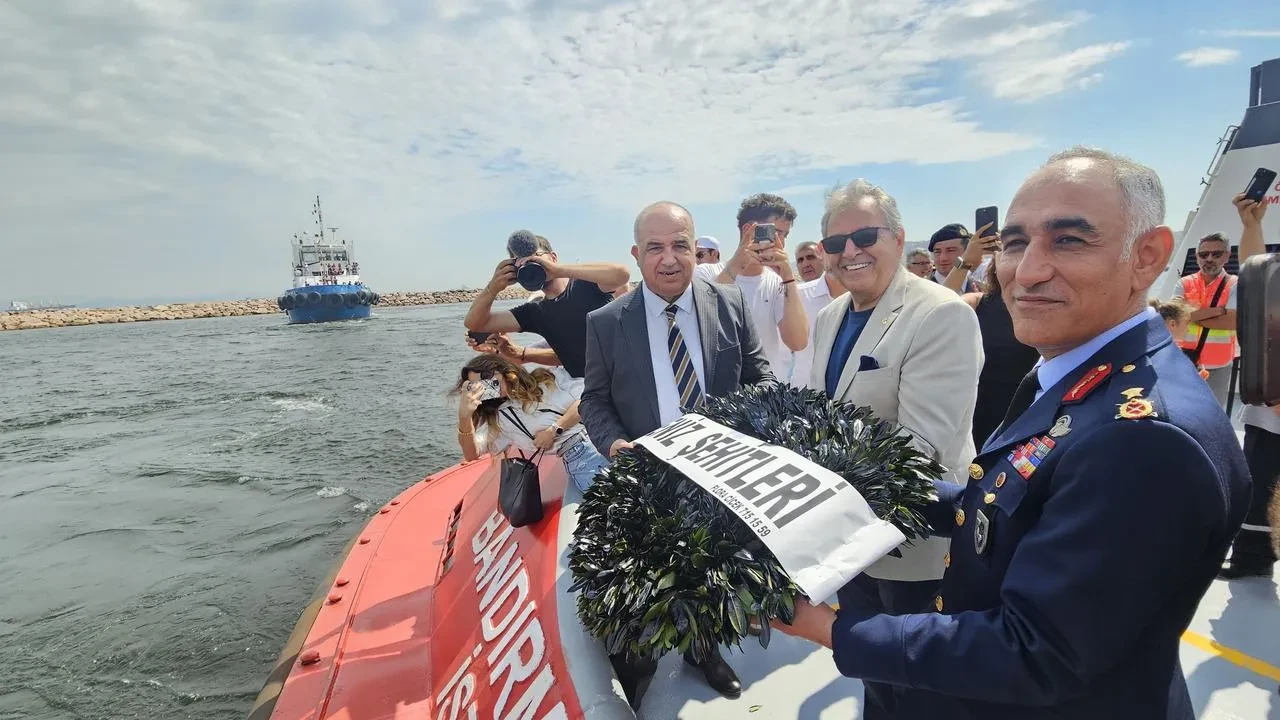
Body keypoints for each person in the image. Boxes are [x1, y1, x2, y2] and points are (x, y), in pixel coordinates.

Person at [774, 146, 1251, 719]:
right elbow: (1003, 501)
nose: (1027, 271)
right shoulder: (1079, 374)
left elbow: (1036, 652)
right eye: (1017, 243)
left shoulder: (1144, 437)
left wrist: (828, 629)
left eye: (1069, 240)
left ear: (1147, 256)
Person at [579, 200, 771, 704]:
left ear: (695, 248)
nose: (669, 259)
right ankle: (637, 659)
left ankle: (703, 650)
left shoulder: (729, 303)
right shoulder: (605, 321)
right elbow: (594, 400)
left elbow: (761, 380)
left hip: (719, 476)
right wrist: (613, 443)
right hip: (644, 475)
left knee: (710, 570)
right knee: (645, 575)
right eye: (656, 248)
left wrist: (750, 433)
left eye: (680, 245)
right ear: (637, 255)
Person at [806, 178, 983, 719]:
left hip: (914, 545)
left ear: (900, 238)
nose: (850, 252)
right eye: (836, 244)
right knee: (872, 676)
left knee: (919, 690)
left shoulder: (940, 313)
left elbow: (921, 450)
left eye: (864, 235)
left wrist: (810, 470)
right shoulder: (831, 317)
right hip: (850, 543)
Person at [463, 233, 630, 379]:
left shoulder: (587, 284)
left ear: (553, 257)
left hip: (626, 375)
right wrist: (493, 288)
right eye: (520, 264)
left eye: (535, 258)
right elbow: (476, 323)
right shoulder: (534, 312)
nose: (528, 265)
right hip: (590, 388)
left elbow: (622, 274)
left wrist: (558, 270)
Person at [1220, 190, 1276, 580]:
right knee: (1258, 484)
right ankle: (1252, 557)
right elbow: (1257, 274)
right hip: (1267, 411)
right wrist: (1252, 226)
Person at [453, 354, 607, 493]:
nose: (485, 385)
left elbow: (589, 398)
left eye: (486, 377)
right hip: (581, 458)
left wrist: (554, 430)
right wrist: (464, 417)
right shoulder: (501, 419)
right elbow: (472, 454)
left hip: (606, 433)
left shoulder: (546, 378)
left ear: (502, 370)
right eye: (477, 385)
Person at [696, 193, 808, 379]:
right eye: (776, 233)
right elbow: (705, 320)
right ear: (749, 229)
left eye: (785, 235)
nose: (782, 242)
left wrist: (788, 277)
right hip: (719, 397)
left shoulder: (777, 282)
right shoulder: (706, 273)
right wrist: (737, 264)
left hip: (764, 397)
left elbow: (798, 342)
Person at [963, 264, 1042, 448]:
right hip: (979, 410)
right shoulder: (976, 303)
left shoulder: (1046, 308)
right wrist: (963, 263)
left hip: (1025, 413)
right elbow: (940, 311)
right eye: (1015, 245)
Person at [1173, 232, 1239, 408]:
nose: (1209, 259)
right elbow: (1174, 318)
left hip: (1218, 366)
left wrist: (1190, 315)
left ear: (1226, 256)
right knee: (1180, 409)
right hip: (1183, 361)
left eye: (1216, 254)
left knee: (1212, 413)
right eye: (1204, 254)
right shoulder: (1184, 283)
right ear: (1197, 257)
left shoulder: (1235, 284)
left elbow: (1232, 321)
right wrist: (1217, 311)